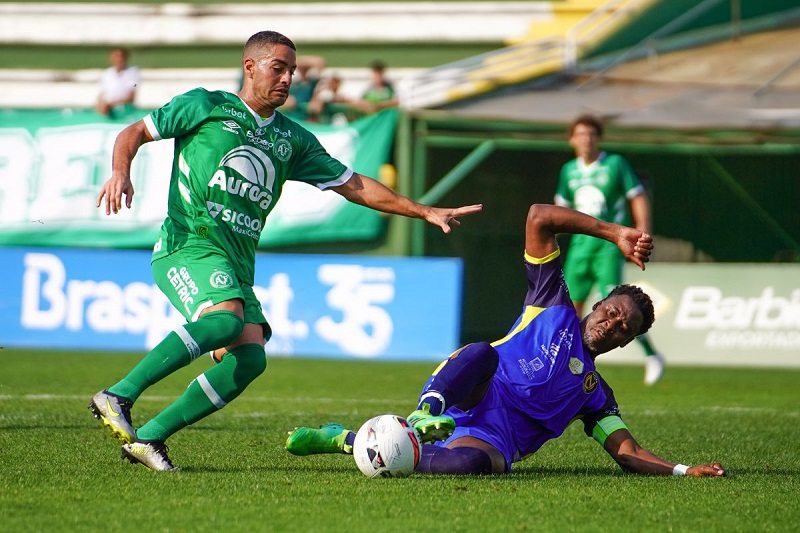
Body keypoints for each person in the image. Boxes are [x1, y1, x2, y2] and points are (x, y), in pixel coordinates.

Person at [89, 30, 482, 472]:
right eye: (278, 68)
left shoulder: (292, 140)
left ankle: (151, 438)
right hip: (188, 243)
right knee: (224, 322)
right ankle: (118, 394)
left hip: (237, 262)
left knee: (250, 357)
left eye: (291, 71)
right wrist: (120, 172)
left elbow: (354, 185)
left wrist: (422, 210)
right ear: (250, 67)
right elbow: (134, 132)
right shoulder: (205, 105)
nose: (286, 79)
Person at [286, 204, 726, 478]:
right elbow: (539, 216)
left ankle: (349, 441)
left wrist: (684, 470)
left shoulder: (595, 395)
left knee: (470, 467)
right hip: (469, 392)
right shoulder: (552, 303)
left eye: (623, 328)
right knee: (481, 352)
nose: (612, 323)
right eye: (611, 311)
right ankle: (423, 417)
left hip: (493, 440)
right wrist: (614, 233)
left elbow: (627, 453)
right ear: (597, 305)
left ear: (626, 342)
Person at [555, 114, 666, 385]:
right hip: (579, 249)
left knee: (615, 307)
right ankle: (567, 366)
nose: (586, 140)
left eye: (591, 134)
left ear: (599, 138)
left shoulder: (615, 164)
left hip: (608, 247)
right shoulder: (568, 170)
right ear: (572, 139)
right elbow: (560, 210)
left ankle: (652, 355)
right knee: (570, 309)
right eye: (580, 134)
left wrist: (642, 230)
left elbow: (636, 196)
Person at [96, 47, 140, 117]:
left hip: (125, 112)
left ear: (126, 58)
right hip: (107, 112)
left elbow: (131, 96)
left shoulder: (133, 72)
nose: (119, 59)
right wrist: (100, 106)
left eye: (121, 56)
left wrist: (111, 104)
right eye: (116, 56)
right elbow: (101, 94)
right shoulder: (106, 73)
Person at [280, 55, 326, 120]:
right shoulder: (292, 83)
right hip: (290, 118)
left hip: (305, 120)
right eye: (302, 69)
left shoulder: (312, 83)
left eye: (307, 69)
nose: (304, 71)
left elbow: (319, 61)